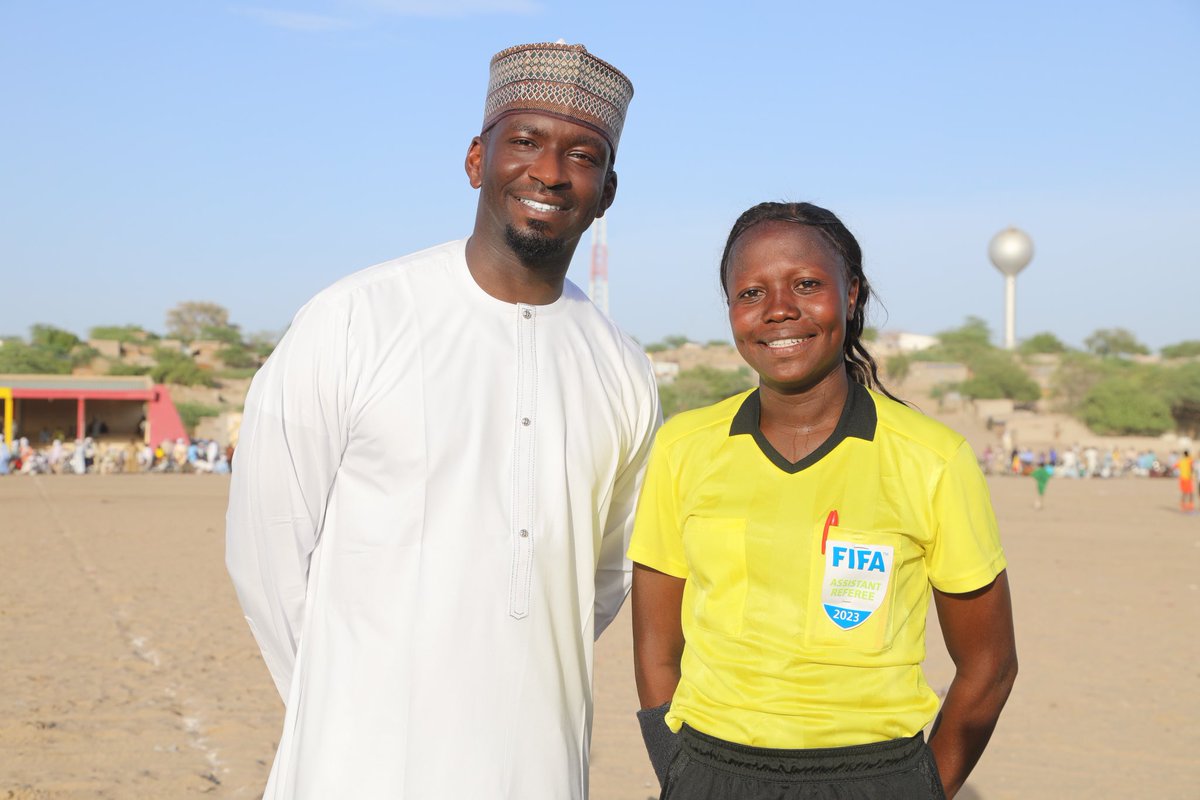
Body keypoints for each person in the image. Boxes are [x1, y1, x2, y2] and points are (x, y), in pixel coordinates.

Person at [226, 42, 659, 800]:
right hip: (356, 764)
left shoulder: (623, 367)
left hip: (538, 759)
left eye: (582, 156)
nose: (550, 172)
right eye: (525, 141)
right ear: (475, 159)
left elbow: (605, 574)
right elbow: (267, 551)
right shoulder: (353, 319)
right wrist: (342, 709)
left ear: (608, 192)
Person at [629, 202, 1016, 799]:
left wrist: (920, 790)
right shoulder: (684, 447)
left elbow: (989, 665)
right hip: (709, 770)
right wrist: (680, 770)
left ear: (851, 293)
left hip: (873, 775)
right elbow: (656, 648)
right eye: (751, 293)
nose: (780, 309)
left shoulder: (933, 458)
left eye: (806, 284)